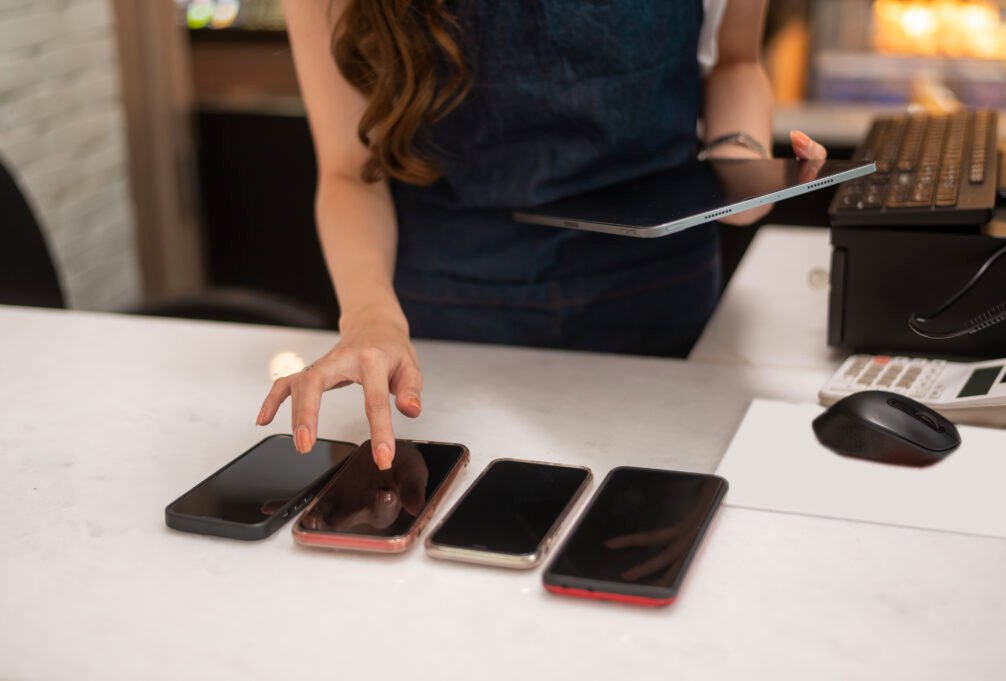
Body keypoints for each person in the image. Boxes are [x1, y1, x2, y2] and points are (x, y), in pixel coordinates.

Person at [256, 0, 828, 469]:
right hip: (446, 317)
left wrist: (743, 174)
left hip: (657, 295)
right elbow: (349, 172)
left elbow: (734, 62)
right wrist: (370, 319)